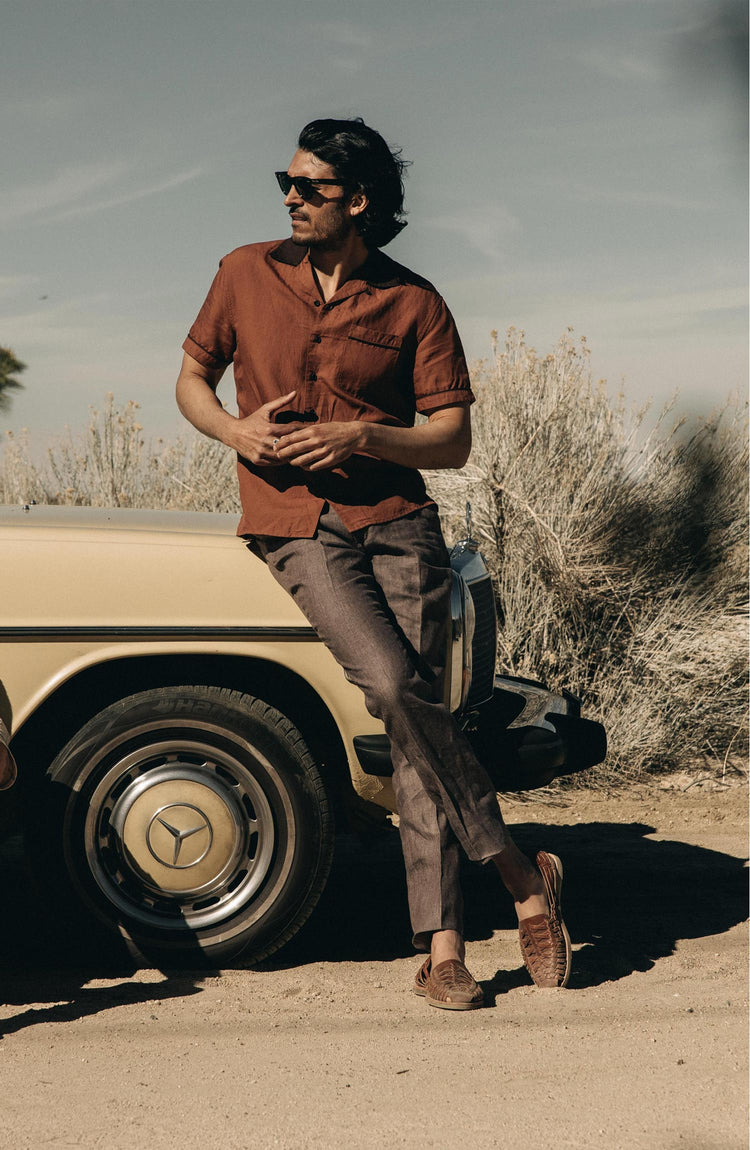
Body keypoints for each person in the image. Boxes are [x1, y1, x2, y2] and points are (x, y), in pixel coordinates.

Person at [176, 117, 571, 1008]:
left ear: (357, 202)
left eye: (308, 186)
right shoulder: (245, 271)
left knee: (414, 720)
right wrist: (232, 429)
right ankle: (516, 870)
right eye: (286, 180)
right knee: (395, 688)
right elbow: (192, 377)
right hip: (296, 523)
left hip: (397, 520)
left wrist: (364, 434)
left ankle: (442, 949)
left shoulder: (415, 302)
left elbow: (452, 440)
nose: (288, 196)